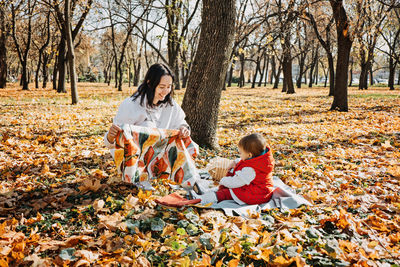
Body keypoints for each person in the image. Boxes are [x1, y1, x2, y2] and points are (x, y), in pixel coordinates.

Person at [104, 63, 191, 149]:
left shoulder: (170, 104)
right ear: (149, 83)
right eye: (161, 87)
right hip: (136, 157)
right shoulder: (131, 104)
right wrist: (110, 138)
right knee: (148, 126)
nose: (166, 91)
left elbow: (180, 122)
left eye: (169, 87)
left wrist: (183, 129)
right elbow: (112, 142)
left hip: (163, 155)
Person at [191, 133, 275, 205]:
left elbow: (235, 182)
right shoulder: (257, 159)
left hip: (257, 194)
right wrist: (235, 161)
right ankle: (206, 193)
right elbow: (245, 162)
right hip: (254, 187)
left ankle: (201, 200)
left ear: (249, 155)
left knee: (227, 193)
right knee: (225, 189)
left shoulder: (251, 170)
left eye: (241, 153)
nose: (240, 155)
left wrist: (222, 180)